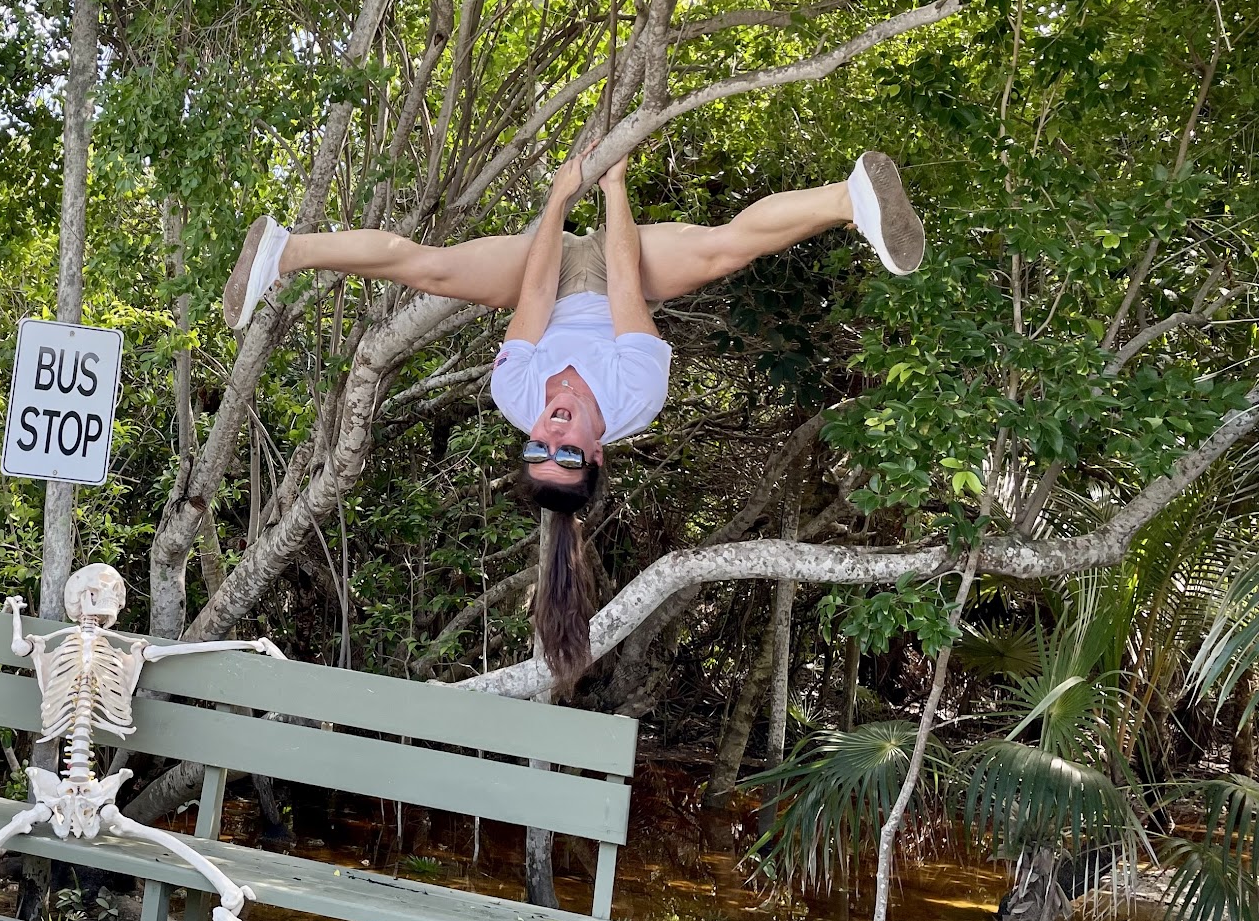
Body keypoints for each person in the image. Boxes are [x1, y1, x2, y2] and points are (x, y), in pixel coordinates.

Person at [219, 150, 926, 689]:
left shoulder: (515, 396)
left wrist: (558, 199)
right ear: (598, 451)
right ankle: (851, 198)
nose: (553, 431)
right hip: (627, 275)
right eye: (568, 450)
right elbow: (622, 281)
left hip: (546, 278)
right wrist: (614, 183)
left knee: (424, 268)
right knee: (721, 249)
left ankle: (283, 252)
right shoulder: (633, 398)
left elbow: (533, 288)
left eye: (540, 447)